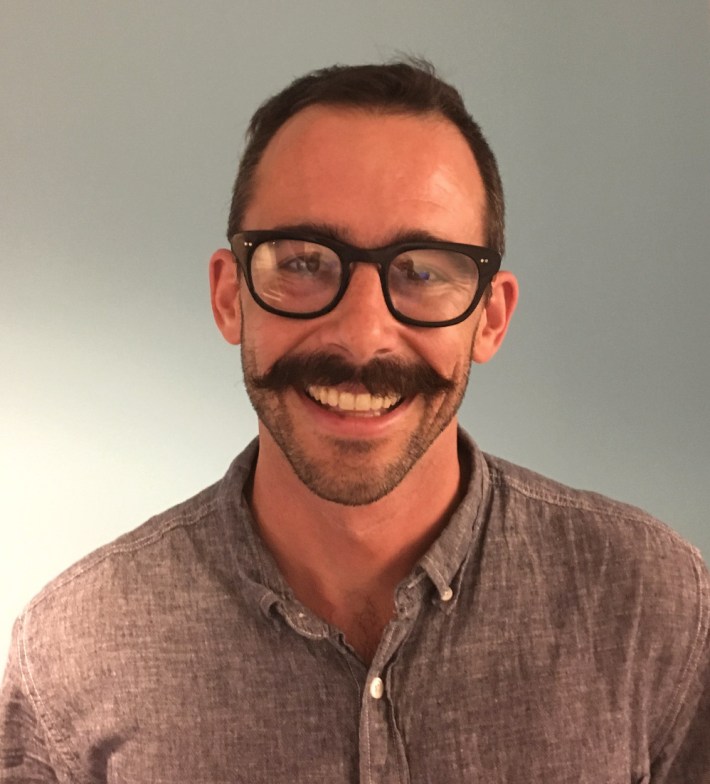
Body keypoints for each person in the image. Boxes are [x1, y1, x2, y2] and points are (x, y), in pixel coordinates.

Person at [1, 60, 708, 784]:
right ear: (229, 296)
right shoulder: (71, 655)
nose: (364, 336)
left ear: (490, 318)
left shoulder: (651, 606)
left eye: (424, 270)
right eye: (304, 262)